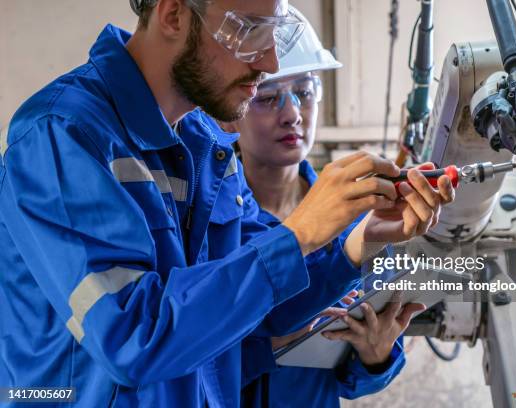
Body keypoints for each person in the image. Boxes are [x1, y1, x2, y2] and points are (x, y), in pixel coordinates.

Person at [0, 1, 453, 407]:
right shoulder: (64, 135)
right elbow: (132, 337)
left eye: (276, 33)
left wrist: (357, 242)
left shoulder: (205, 147)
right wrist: (300, 234)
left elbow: (263, 307)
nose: (271, 60)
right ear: (174, 14)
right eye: (250, 30)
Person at [226, 9, 423, 407]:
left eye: (305, 91)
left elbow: (355, 382)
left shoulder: (359, 214)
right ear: (231, 110)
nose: (293, 113)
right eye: (268, 97)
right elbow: (188, 361)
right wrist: (274, 346)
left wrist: (376, 356)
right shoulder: (211, 221)